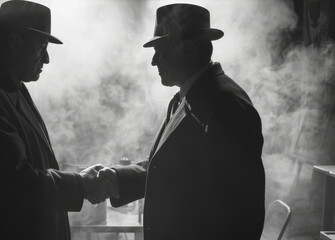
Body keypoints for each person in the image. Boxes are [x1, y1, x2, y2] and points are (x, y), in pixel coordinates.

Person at [95, 4, 266, 240]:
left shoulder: (227, 105)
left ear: (187, 49)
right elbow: (172, 167)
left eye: (160, 51)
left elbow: (243, 213)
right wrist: (117, 179)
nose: (154, 61)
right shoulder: (188, 96)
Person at [0, 1, 106, 239]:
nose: (46, 59)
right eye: (41, 47)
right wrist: (80, 184)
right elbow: (16, 184)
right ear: (15, 42)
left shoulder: (10, 87)